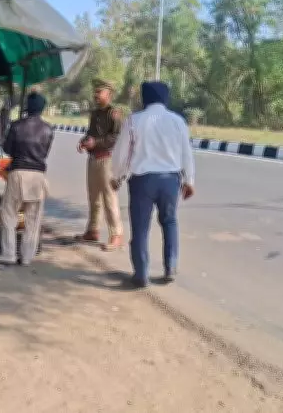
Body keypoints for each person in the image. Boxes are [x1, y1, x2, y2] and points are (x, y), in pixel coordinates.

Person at [110, 81, 196, 288]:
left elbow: (122, 152)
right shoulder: (178, 121)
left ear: (144, 97)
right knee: (170, 222)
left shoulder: (133, 120)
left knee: (140, 227)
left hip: (142, 181)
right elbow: (186, 152)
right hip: (170, 181)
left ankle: (141, 273)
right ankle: (170, 267)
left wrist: (117, 176)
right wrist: (189, 181)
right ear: (166, 97)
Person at [0, 92, 54, 267]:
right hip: (38, 176)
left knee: (8, 214)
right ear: (42, 108)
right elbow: (45, 153)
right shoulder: (48, 129)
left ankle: (9, 254)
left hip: (17, 173)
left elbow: (7, 149)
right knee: (33, 219)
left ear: (27, 107)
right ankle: (27, 256)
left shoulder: (16, 126)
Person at [75, 79, 124, 251]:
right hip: (93, 158)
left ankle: (116, 234)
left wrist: (96, 142)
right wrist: (83, 141)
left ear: (108, 95)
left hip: (107, 159)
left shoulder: (114, 113)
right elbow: (90, 133)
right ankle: (92, 230)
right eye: (95, 92)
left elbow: (116, 138)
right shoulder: (95, 114)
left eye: (99, 92)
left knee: (109, 198)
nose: (95, 95)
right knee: (93, 197)